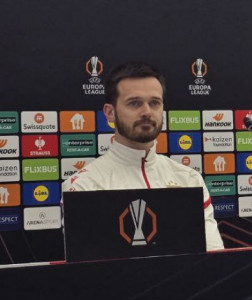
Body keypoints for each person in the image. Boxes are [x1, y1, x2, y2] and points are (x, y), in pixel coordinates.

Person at [63, 62, 223, 250]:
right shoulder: (83, 187)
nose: (147, 112)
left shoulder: (189, 179)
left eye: (154, 103)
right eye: (134, 103)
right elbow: (89, 265)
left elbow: (214, 258)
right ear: (110, 113)